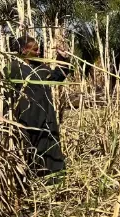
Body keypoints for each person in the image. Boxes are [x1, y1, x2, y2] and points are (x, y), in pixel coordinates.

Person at [5, 35, 72, 180]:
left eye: (38, 49)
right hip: (26, 119)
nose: (39, 52)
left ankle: (54, 179)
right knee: (29, 149)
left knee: (50, 147)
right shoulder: (13, 69)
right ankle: (29, 179)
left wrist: (62, 58)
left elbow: (57, 77)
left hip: (46, 117)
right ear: (24, 50)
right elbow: (5, 96)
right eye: (35, 49)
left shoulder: (41, 68)